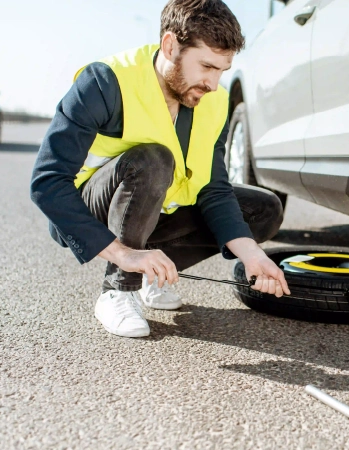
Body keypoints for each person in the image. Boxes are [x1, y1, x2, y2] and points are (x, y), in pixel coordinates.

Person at [30, 0, 290, 338]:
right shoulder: (105, 82)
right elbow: (47, 182)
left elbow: (213, 188)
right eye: (206, 66)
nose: (213, 83)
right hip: (91, 209)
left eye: (222, 70)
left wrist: (253, 256)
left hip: (155, 211)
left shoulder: (215, 101)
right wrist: (123, 255)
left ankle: (154, 273)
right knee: (154, 159)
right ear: (170, 46)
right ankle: (119, 290)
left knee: (263, 208)